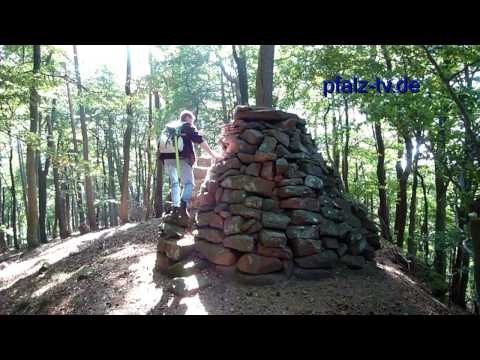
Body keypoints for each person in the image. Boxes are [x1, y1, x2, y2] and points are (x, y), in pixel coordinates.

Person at [160, 110, 222, 218]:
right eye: (192, 120)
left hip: (167, 159)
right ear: (187, 118)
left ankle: (175, 208)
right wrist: (213, 154)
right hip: (182, 158)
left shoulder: (170, 128)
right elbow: (200, 140)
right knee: (188, 184)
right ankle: (183, 206)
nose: (193, 122)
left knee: (174, 183)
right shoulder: (186, 126)